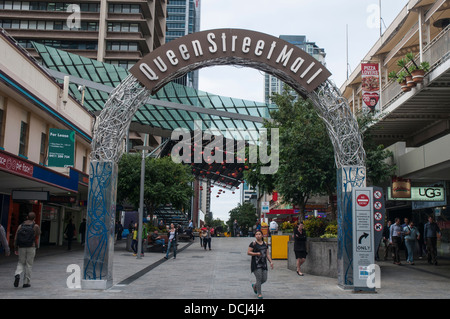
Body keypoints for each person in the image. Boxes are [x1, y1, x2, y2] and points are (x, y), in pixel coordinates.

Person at [13, 212, 41, 288]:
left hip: (21, 247)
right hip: (31, 246)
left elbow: (16, 238)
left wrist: (15, 247)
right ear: (34, 218)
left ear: (27, 217)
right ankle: (26, 282)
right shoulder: (35, 226)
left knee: (21, 262)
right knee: (29, 264)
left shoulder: (20, 226)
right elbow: (38, 235)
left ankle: (17, 274)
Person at [247, 230, 273, 299]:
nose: (258, 235)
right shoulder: (253, 244)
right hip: (256, 264)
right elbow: (248, 252)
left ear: (262, 235)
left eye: (259, 234)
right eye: (256, 234)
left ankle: (255, 286)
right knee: (259, 278)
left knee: (264, 279)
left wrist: (271, 262)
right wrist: (256, 253)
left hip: (263, 264)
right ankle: (259, 293)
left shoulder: (265, 244)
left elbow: (267, 254)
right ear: (255, 236)